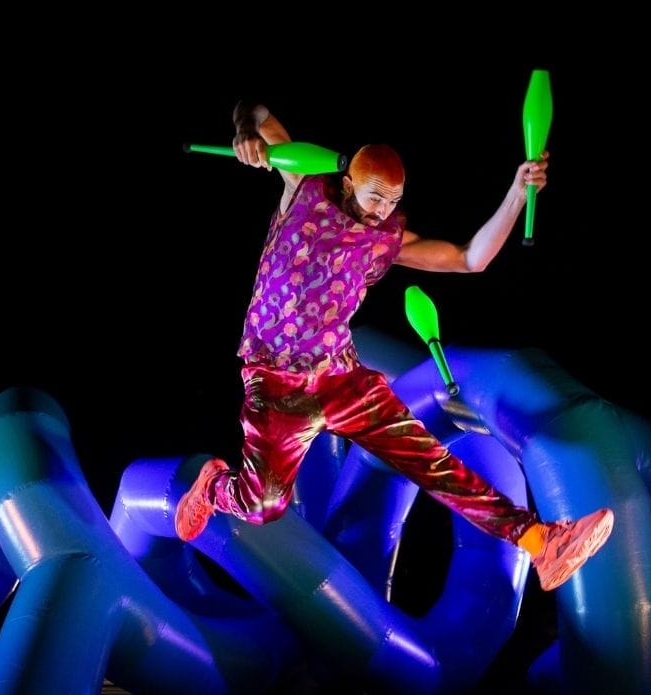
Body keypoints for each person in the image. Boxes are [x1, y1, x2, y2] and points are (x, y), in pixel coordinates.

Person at [175, 100, 613, 592]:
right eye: (375, 197)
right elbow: (254, 111)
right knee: (262, 506)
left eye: (394, 200)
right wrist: (245, 132)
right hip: (275, 381)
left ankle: (539, 541)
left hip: (339, 375)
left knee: (429, 460)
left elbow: (470, 258)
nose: (383, 210)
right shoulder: (304, 187)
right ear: (348, 184)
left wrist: (516, 191)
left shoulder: (386, 238)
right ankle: (213, 487)